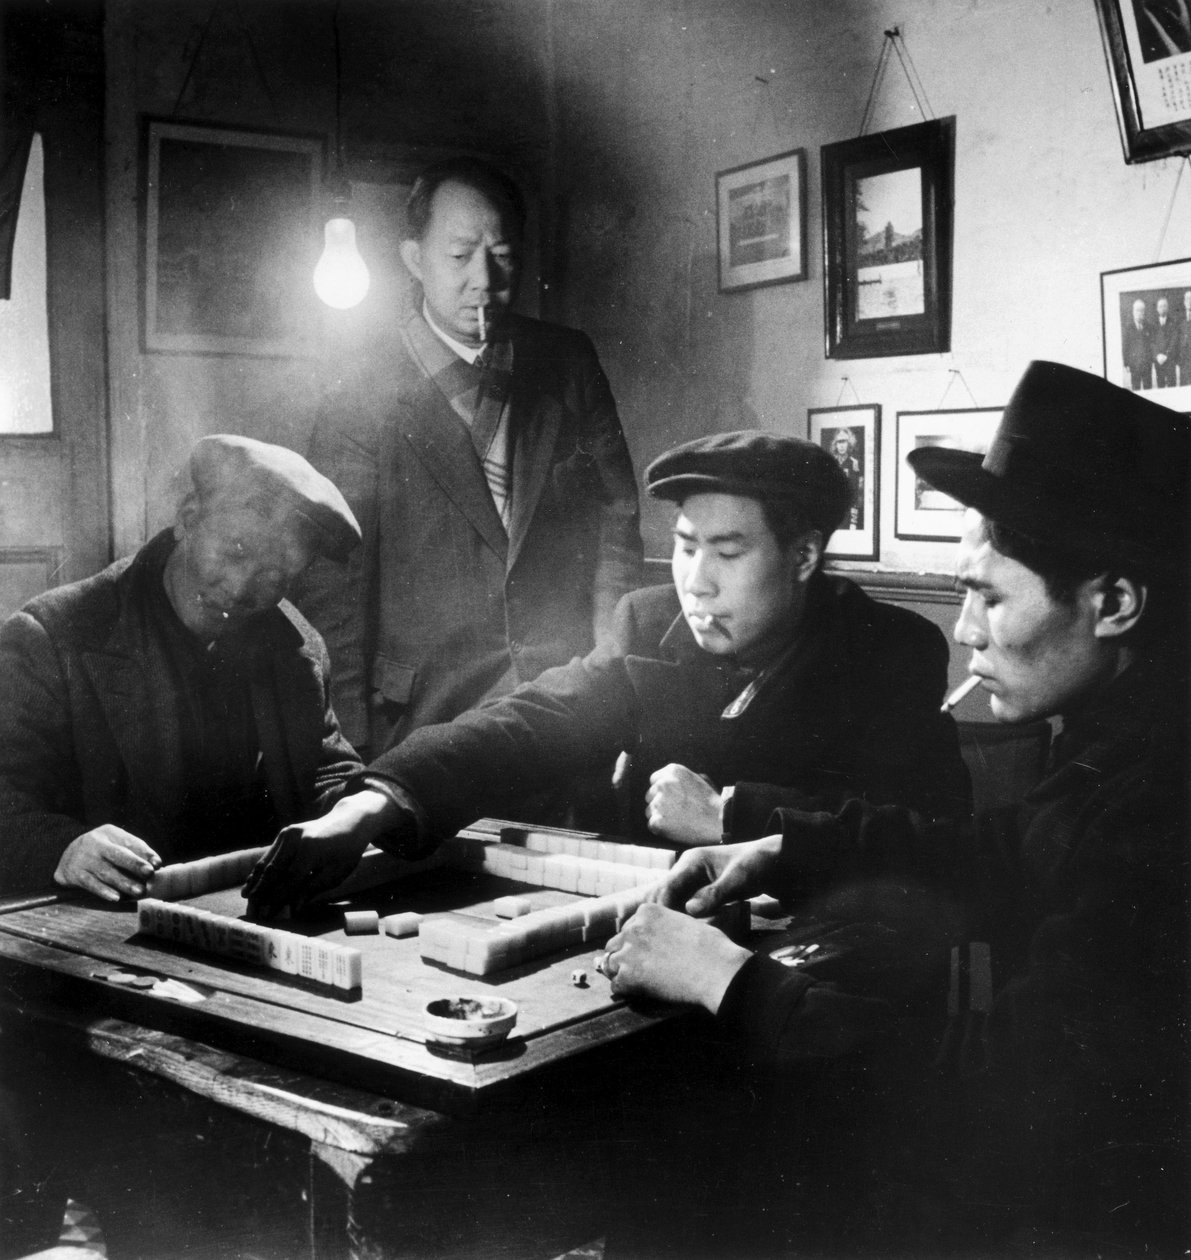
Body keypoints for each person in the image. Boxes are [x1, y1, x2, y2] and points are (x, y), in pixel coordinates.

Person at [603, 361, 1189, 1257]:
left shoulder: (1161, 802)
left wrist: (725, 978)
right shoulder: (1130, 732)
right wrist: (780, 847)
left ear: (1112, 603)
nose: (965, 630)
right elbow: (998, 848)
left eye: (987, 595)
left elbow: (996, 1098)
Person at [245, 429, 969, 914]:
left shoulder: (888, 649)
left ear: (804, 556)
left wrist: (730, 815)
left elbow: (922, 827)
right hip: (653, 931)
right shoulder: (649, 622)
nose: (697, 581)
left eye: (727, 553)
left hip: (807, 955)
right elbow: (530, 722)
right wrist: (370, 806)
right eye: (685, 547)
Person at [296, 156, 642, 758]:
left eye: (502, 254)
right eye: (459, 256)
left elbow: (617, 522)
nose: (484, 280)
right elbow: (334, 592)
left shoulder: (566, 360)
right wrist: (349, 750)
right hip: (419, 720)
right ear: (413, 258)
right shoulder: (358, 390)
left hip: (560, 704)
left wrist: (609, 670)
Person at [0, 434, 363, 898]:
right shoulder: (50, 637)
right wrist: (64, 849)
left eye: (276, 575)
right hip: (99, 916)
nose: (241, 588)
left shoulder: (298, 649)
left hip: (235, 907)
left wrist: (362, 808)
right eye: (235, 551)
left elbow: (326, 775)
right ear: (188, 519)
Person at [829, 426, 863, 528]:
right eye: (839, 442)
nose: (841, 446)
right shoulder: (831, 463)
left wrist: (853, 522)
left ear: (849, 444)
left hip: (848, 515)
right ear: (835, 444)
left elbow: (856, 494)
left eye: (844, 442)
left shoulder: (854, 464)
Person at [1122, 296, 1152, 389]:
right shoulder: (1128, 328)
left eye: (1142, 310)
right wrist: (1126, 363)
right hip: (1134, 365)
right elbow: (1125, 346)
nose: (1139, 313)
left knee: (1148, 387)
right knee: (1136, 388)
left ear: (1144, 312)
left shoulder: (1148, 326)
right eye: (1137, 310)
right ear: (1133, 312)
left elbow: (1151, 344)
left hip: (1147, 364)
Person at [1151, 293, 1179, 387]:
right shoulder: (1153, 324)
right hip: (1159, 361)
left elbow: (1174, 340)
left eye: (1164, 306)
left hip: (1170, 359)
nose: (1162, 308)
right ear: (1157, 309)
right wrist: (1157, 355)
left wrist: (1167, 355)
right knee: (1160, 385)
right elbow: (1152, 342)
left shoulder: (1173, 322)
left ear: (1168, 308)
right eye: (1160, 306)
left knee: (1172, 384)